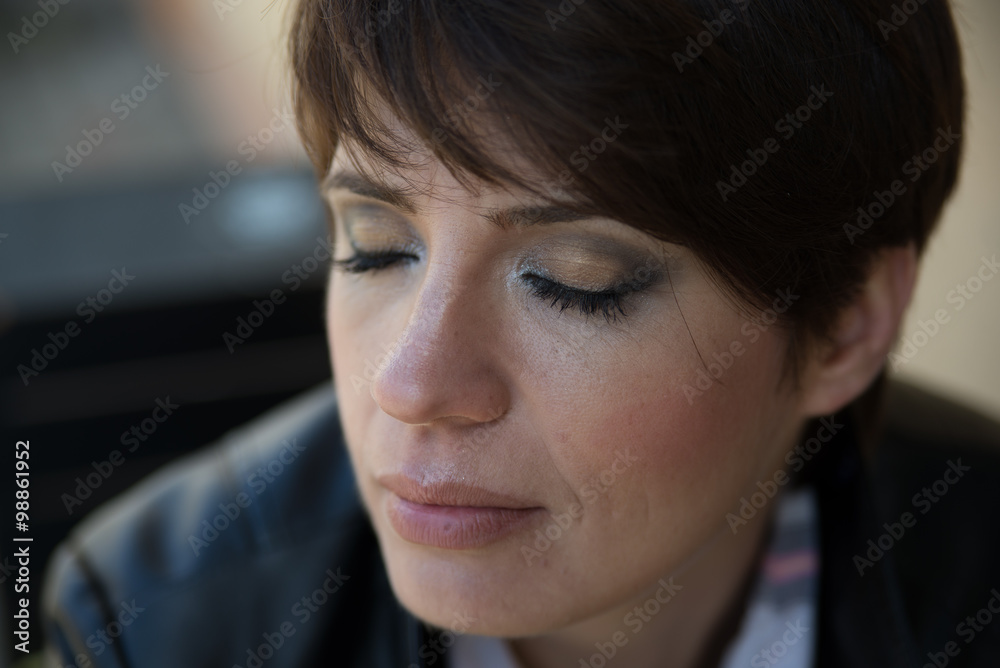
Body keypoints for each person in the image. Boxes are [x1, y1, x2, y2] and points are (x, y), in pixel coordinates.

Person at [42, 0, 1000, 666]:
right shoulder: (156, 622)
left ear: (844, 328)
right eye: (375, 248)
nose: (409, 385)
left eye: (574, 284)